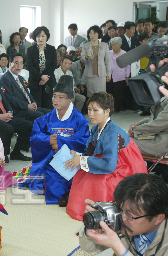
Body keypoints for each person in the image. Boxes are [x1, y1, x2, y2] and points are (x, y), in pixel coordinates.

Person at [65, 92, 147, 221]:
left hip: (124, 167)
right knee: (81, 173)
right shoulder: (96, 129)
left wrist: (82, 160)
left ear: (107, 111)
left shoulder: (113, 133)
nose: (91, 114)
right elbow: (92, 151)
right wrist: (80, 156)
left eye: (95, 110)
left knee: (98, 181)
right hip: (111, 160)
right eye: (89, 110)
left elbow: (109, 165)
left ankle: (95, 211)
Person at [19, 75, 90, 204]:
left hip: (72, 160)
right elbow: (35, 136)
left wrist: (60, 143)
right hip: (51, 160)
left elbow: (83, 142)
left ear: (70, 99)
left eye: (61, 97)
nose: (56, 100)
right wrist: (47, 140)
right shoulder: (46, 119)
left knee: (79, 183)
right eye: (54, 96)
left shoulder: (80, 120)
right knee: (52, 183)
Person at [78, 173, 168, 256]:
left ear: (158, 218)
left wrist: (118, 247)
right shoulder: (121, 211)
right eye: (120, 209)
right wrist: (92, 227)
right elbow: (89, 248)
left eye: (129, 215)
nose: (122, 218)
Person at [0, 53, 50, 123]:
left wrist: (33, 102)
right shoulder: (5, 78)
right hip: (18, 110)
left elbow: (27, 92)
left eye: (21, 63)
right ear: (10, 64)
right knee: (40, 115)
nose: (19, 66)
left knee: (49, 112)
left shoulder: (20, 78)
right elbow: (10, 98)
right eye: (16, 63)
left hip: (27, 107)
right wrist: (27, 106)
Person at [26, 26, 57, 110]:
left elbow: (53, 65)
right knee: (37, 107)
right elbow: (29, 66)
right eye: (38, 36)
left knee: (48, 106)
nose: (40, 38)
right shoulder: (30, 50)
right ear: (35, 37)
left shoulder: (52, 49)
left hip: (48, 82)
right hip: (35, 82)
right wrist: (40, 77)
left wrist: (45, 78)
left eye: (43, 36)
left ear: (47, 37)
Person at [81, 25, 111, 97]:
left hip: (101, 75)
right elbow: (82, 60)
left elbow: (107, 61)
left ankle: (101, 108)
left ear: (99, 34)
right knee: (91, 96)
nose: (92, 35)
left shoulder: (104, 45)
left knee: (101, 96)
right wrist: (86, 56)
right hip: (90, 75)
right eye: (90, 33)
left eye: (94, 33)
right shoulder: (85, 45)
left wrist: (108, 74)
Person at [109, 37, 130, 112]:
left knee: (119, 92)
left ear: (120, 45)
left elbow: (127, 66)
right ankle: (112, 107)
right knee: (111, 92)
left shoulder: (124, 53)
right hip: (110, 76)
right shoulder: (109, 53)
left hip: (120, 76)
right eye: (112, 45)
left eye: (115, 45)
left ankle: (119, 107)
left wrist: (127, 76)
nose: (113, 47)